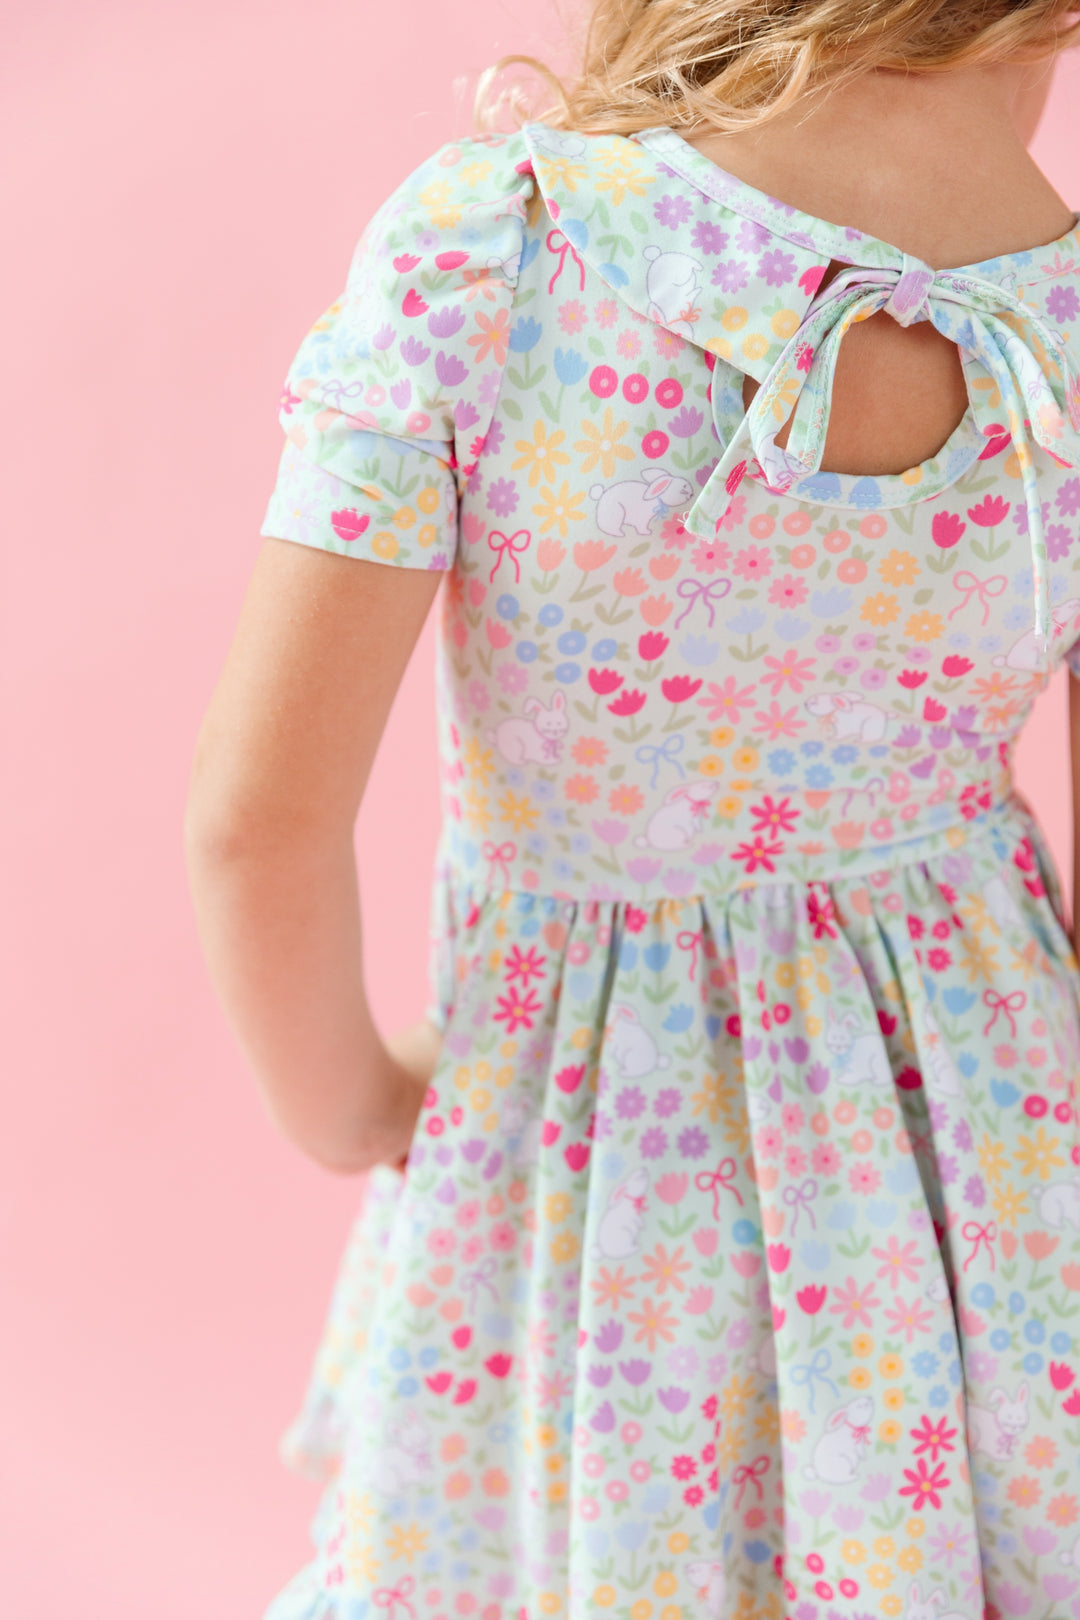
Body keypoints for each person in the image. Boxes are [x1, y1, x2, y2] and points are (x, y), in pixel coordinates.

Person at [185, 2, 1080, 1615]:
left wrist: (357, 1111)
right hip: (989, 1146)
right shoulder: (1068, 324)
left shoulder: (491, 254)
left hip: (594, 1131)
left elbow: (259, 816)